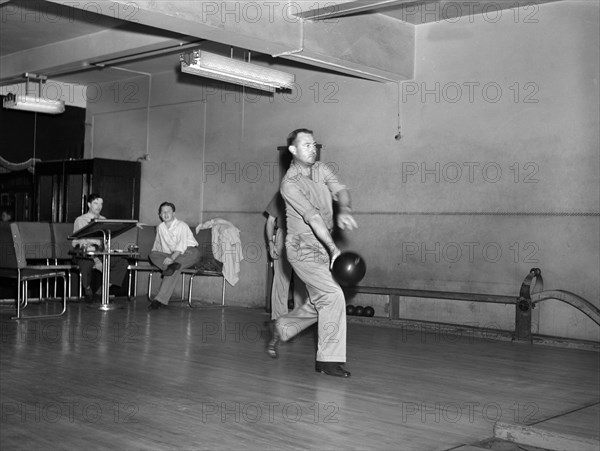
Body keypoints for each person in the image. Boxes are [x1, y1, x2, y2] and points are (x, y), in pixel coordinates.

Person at [267, 128, 358, 378]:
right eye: (305, 145)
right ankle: (328, 361)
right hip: (302, 248)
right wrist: (333, 249)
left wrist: (346, 209)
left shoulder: (321, 169)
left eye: (313, 144)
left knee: (322, 301)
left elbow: (340, 190)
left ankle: (283, 326)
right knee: (333, 295)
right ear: (293, 150)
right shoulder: (290, 184)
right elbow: (314, 218)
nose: (312, 148)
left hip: (321, 242)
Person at [72, 194, 128, 302]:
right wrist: (96, 260)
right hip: (84, 253)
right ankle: (87, 289)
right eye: (95, 203)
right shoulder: (81, 220)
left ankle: (102, 291)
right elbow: (83, 242)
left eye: (101, 204)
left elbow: (106, 240)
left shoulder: (104, 220)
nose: (99, 206)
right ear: (89, 204)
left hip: (101, 253)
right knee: (86, 264)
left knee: (122, 262)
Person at [148, 202, 200, 310]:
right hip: (174, 256)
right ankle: (170, 267)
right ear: (160, 215)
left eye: (168, 211)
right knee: (152, 254)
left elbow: (181, 246)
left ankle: (159, 299)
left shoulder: (182, 225)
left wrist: (171, 258)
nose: (166, 214)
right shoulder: (161, 227)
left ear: (174, 213)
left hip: (189, 252)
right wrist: (157, 256)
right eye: (163, 212)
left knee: (175, 265)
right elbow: (158, 244)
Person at [264, 192, 306, 320]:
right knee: (281, 279)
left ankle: (299, 318)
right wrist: (271, 244)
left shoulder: (311, 193)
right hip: (284, 237)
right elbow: (271, 221)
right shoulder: (282, 194)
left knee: (302, 280)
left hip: (304, 237)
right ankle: (278, 319)